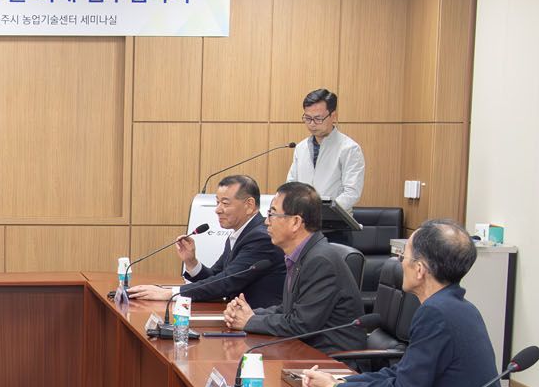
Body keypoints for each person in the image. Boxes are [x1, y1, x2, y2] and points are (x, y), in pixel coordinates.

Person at [301, 219, 533, 387]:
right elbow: (405, 374)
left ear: (420, 269)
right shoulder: (457, 306)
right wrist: (341, 382)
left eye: (404, 256)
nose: (400, 262)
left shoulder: (436, 313)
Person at [223, 181, 366, 355]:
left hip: (332, 359)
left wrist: (249, 321)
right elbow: (287, 309)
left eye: (272, 214)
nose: (266, 222)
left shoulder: (320, 261)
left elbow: (301, 324)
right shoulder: (304, 254)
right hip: (306, 351)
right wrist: (245, 313)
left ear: (296, 222)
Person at [131, 174, 286, 306]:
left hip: (258, 323)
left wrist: (169, 294)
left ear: (249, 205)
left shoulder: (261, 237)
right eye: (217, 203)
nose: (217, 210)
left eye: (225, 203)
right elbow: (215, 277)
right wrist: (192, 262)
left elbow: (226, 282)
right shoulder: (241, 234)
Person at [286, 89, 364, 242]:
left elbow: (352, 193)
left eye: (318, 118)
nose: (312, 124)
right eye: (307, 118)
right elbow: (292, 184)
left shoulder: (349, 148)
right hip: (303, 228)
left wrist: (319, 212)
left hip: (334, 230)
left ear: (333, 116)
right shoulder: (301, 147)